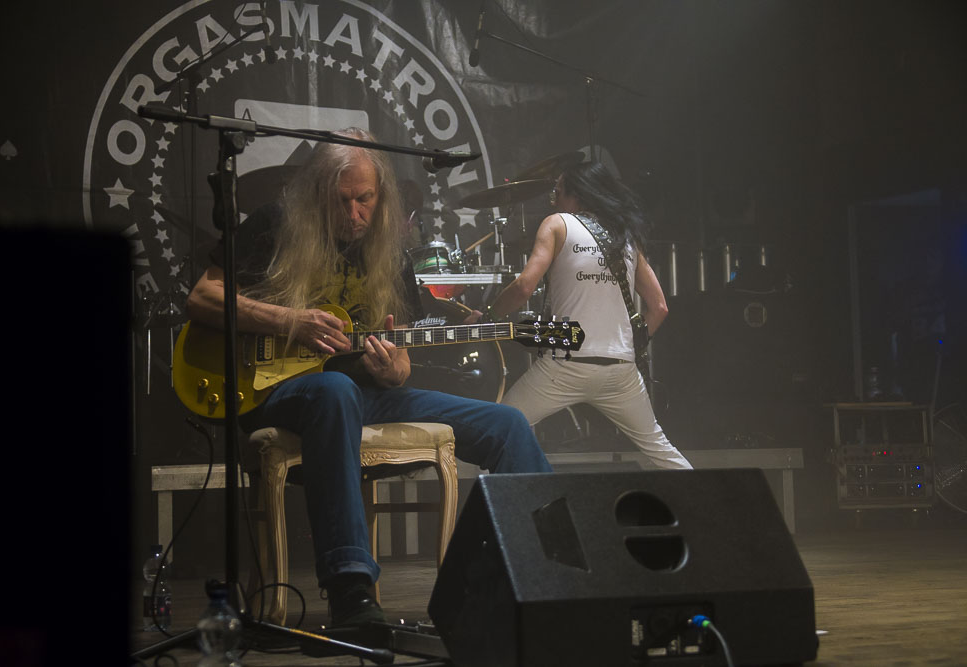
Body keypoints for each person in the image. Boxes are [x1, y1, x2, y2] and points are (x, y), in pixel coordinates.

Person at [186, 128, 552, 627]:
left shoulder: (390, 251)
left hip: (362, 395)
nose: (355, 213)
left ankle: (546, 579)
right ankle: (350, 589)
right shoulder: (276, 224)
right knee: (335, 389)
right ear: (319, 193)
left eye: (366, 199)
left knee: (508, 424)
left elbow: (400, 353)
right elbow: (201, 297)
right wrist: (290, 320)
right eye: (343, 200)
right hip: (272, 389)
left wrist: (397, 369)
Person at [469, 161, 692, 470]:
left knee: (499, 427)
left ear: (577, 194)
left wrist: (488, 315)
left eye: (558, 192)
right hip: (620, 370)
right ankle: (710, 500)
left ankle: (504, 493)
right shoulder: (625, 236)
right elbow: (659, 307)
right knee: (660, 449)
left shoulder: (557, 224)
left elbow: (523, 287)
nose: (554, 201)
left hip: (566, 364)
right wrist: (629, 346)